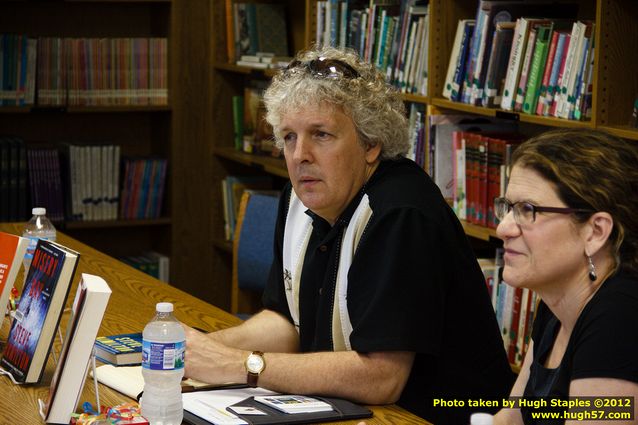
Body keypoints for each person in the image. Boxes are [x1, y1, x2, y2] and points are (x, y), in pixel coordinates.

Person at [184, 46, 513, 424]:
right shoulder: (300, 196)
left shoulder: (400, 213)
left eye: (320, 135)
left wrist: (241, 364)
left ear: (371, 144)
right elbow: (287, 322)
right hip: (349, 409)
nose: (299, 155)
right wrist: (199, 349)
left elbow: (381, 377)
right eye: (289, 137)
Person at [491, 128, 638, 424]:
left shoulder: (620, 317)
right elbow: (507, 421)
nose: (503, 228)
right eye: (508, 208)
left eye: (527, 209)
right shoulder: (556, 302)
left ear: (595, 231)